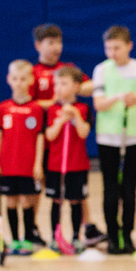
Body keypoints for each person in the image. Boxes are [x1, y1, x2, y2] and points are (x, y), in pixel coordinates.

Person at [30, 23, 102, 247]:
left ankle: (86, 227)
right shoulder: (34, 72)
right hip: (45, 137)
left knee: (75, 190)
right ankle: (33, 227)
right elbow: (29, 103)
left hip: (69, 141)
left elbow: (91, 86)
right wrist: (53, 102)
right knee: (41, 186)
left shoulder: (68, 68)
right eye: (50, 43)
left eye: (59, 42)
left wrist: (72, 90)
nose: (56, 47)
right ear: (38, 46)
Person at [91, 26, 136, 254]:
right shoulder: (101, 70)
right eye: (108, 48)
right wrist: (117, 98)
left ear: (129, 46)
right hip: (108, 137)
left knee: (129, 189)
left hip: (133, 136)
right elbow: (98, 104)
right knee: (110, 189)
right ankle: (112, 236)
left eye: (117, 48)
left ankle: (127, 235)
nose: (112, 53)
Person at [0, 60, 45, 255]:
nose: (19, 83)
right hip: (8, 165)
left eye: (23, 79)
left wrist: (38, 163)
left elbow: (40, 137)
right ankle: (14, 239)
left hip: (27, 165)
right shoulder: (3, 108)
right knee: (11, 202)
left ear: (31, 80)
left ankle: (28, 239)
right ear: (8, 79)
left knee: (26, 201)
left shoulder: (36, 109)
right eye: (15, 79)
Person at [44, 66, 93, 253]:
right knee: (56, 201)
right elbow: (50, 135)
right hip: (56, 166)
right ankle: (54, 237)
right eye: (56, 84)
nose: (58, 88)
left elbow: (83, 133)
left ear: (76, 87)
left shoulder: (83, 108)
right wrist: (61, 120)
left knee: (75, 201)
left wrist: (75, 116)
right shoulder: (52, 110)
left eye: (63, 84)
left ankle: (76, 237)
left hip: (77, 165)